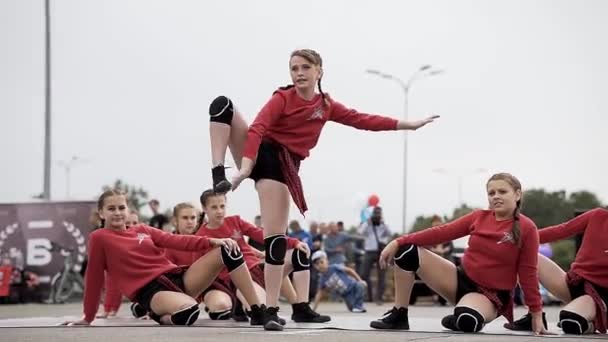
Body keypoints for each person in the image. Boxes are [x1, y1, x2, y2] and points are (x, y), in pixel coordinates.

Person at [206, 49, 438, 330]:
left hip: (283, 165)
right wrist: (244, 168)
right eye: (294, 68)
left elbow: (362, 120)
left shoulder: (326, 106)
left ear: (319, 71)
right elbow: (256, 129)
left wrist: (406, 125)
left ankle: (296, 308)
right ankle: (217, 170)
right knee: (223, 106)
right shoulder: (282, 98)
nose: (299, 73)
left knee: (277, 239)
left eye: (305, 67)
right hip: (260, 156)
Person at [369, 173, 551, 335]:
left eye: (502, 192)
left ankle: (460, 317)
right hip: (459, 280)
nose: (496, 196)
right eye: (491, 193)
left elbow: (528, 274)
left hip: (489, 295)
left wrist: (536, 313)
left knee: (467, 321)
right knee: (406, 251)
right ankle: (399, 314)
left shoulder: (527, 228)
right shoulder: (478, 217)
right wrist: (398, 241)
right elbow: (441, 232)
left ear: (517, 194)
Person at [61, 189, 264, 327]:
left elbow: (176, 240)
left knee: (229, 247)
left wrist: (212, 241)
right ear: (101, 213)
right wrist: (88, 317)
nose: (117, 213)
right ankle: (157, 314)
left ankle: (257, 310)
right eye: (111, 209)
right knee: (189, 312)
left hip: (177, 277)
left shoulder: (141, 229)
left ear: (128, 210)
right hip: (151, 292)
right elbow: (94, 278)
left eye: (121, 208)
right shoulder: (99, 238)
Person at [195, 190, 330, 323]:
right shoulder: (201, 236)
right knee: (261, 313)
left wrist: (294, 242)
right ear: (204, 208)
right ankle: (241, 305)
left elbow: (263, 235)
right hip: (241, 280)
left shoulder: (235, 221)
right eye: (214, 207)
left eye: (222, 206)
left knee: (299, 252)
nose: (219, 211)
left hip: (260, 268)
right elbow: (206, 269)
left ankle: (302, 308)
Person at [506, 207, 608, 335]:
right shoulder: (598, 215)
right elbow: (561, 230)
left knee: (570, 322)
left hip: (599, 297)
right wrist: (518, 239)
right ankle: (534, 315)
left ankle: (593, 323)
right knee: (526, 256)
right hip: (574, 283)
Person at [97, 211, 142, 319]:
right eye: (128, 223)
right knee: (111, 286)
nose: (131, 226)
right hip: (117, 267)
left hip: (137, 270)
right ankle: (109, 310)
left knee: (142, 289)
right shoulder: (115, 236)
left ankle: (147, 311)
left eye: (135, 223)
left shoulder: (142, 237)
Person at [358, 206, 392, 304]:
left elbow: (390, 233)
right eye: (375, 214)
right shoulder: (368, 224)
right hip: (369, 251)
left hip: (380, 251)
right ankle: (369, 296)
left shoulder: (383, 224)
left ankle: (379, 298)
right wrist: (367, 223)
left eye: (378, 214)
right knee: (364, 274)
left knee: (382, 275)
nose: (377, 216)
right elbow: (360, 232)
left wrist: (383, 223)